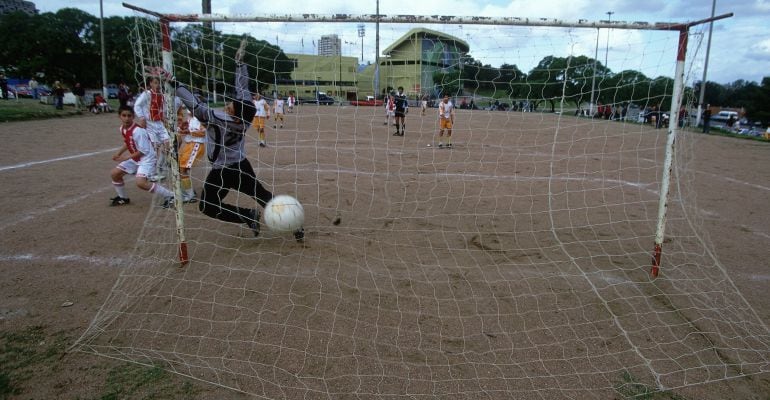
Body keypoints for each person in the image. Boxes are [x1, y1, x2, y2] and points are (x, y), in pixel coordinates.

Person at [174, 37, 303, 241]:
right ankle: (293, 224)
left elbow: (196, 107)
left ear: (234, 113)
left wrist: (175, 84)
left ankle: (246, 215)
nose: (229, 104)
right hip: (242, 166)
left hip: (222, 171)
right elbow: (242, 88)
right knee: (261, 195)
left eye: (231, 105)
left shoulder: (219, 118)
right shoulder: (245, 116)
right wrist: (240, 64)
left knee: (207, 206)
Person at [109, 105, 175, 207]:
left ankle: (171, 196)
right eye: (124, 115)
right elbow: (128, 142)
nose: (126, 118)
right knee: (115, 174)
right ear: (119, 116)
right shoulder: (122, 128)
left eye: (129, 116)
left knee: (141, 183)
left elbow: (143, 151)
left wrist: (125, 157)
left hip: (147, 159)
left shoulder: (138, 131)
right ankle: (123, 198)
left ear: (133, 117)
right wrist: (119, 153)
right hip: (136, 158)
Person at [134, 76, 171, 181]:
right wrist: (142, 117)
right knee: (154, 148)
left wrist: (164, 117)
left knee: (167, 144)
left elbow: (162, 108)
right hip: (150, 123)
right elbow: (137, 105)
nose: (157, 85)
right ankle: (151, 172)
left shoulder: (161, 95)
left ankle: (160, 167)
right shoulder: (147, 94)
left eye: (158, 83)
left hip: (159, 123)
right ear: (150, 83)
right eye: (155, 83)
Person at [175, 103, 206, 203]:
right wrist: (182, 128)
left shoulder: (202, 120)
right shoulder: (189, 118)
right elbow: (185, 128)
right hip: (189, 145)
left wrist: (188, 132)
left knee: (183, 170)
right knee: (181, 169)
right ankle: (189, 191)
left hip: (196, 145)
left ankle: (190, 195)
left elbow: (203, 132)